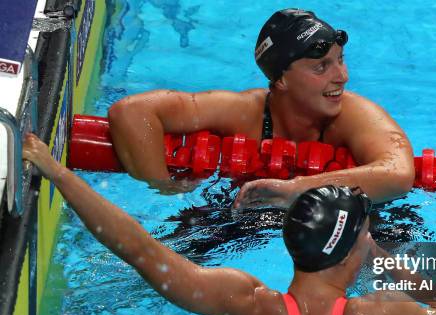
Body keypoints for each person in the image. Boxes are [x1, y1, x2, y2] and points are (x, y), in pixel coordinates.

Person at [24, 133, 436, 315]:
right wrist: (381, 257)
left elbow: (140, 252)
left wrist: (58, 173)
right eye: (366, 232)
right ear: (351, 254)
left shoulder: (245, 303)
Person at [107, 9, 415, 209]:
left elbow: (398, 173)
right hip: (248, 213)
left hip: (351, 217)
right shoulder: (244, 112)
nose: (342, 76)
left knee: (434, 286)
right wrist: (162, 185)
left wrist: (295, 190)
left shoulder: (354, 114)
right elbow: (132, 112)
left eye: (340, 60)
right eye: (321, 67)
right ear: (280, 79)